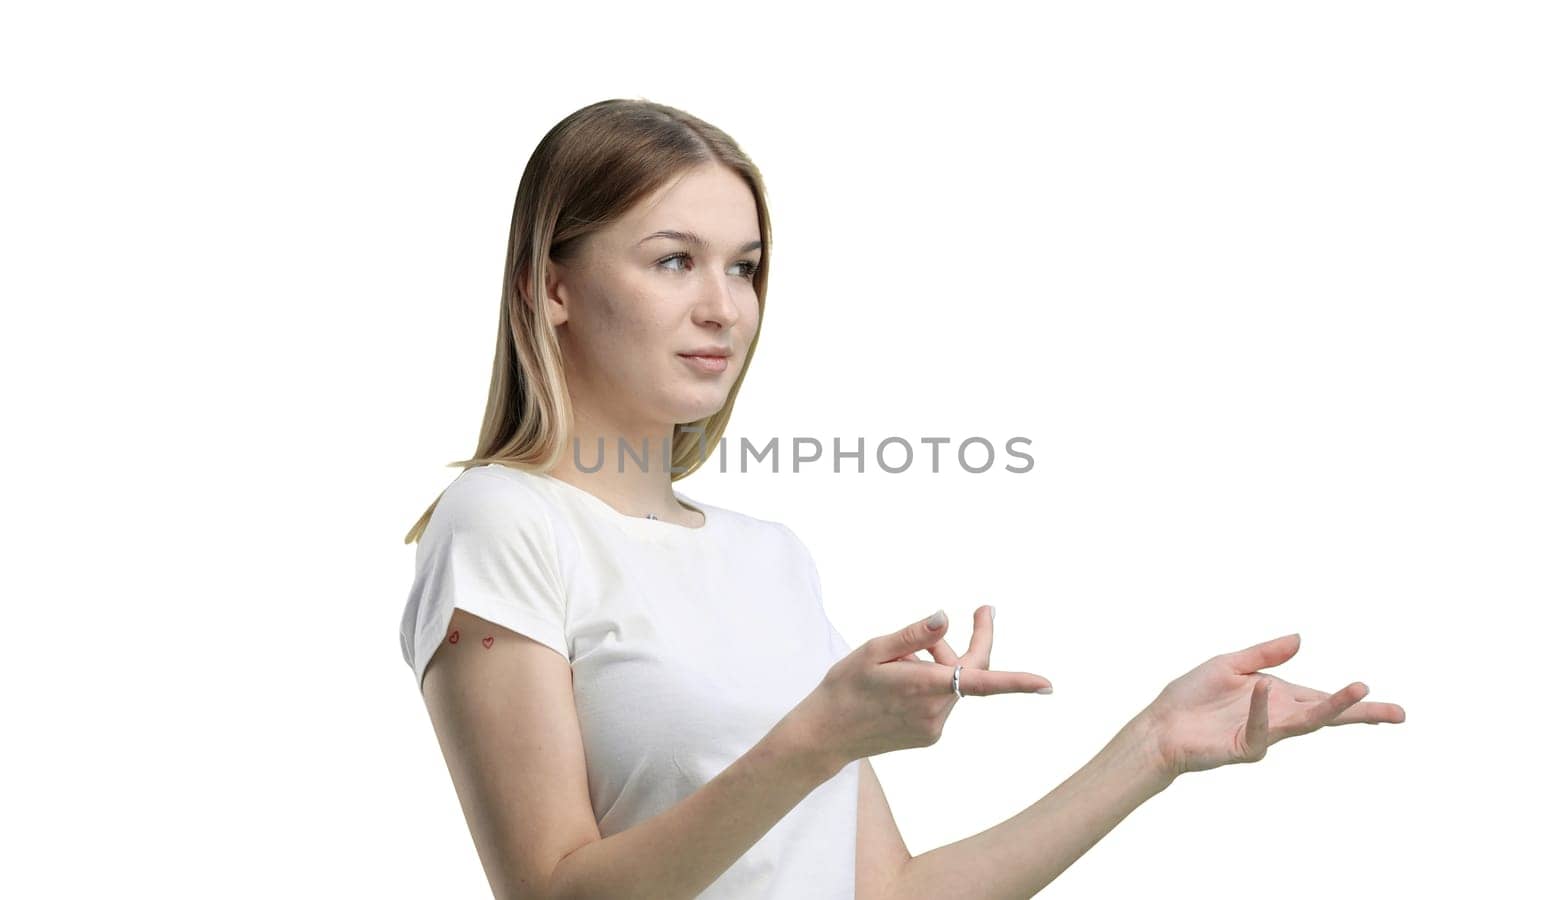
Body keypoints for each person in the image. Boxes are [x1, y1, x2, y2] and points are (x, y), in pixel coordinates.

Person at [398, 98, 1408, 900]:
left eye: (744, 268)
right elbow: (549, 893)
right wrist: (815, 739)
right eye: (673, 261)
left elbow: (892, 895)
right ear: (552, 286)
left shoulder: (768, 555)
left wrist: (1150, 748)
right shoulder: (501, 522)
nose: (723, 306)